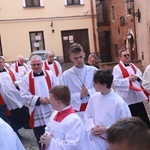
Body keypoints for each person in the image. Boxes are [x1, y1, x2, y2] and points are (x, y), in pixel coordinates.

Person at [84, 69, 131, 150]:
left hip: (113, 143)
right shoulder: (94, 98)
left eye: (96, 82)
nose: (93, 84)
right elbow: (88, 116)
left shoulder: (119, 103)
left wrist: (107, 129)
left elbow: (127, 126)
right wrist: (92, 127)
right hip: (95, 142)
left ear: (104, 85)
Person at [20, 55, 59, 149]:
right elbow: (24, 95)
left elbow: (58, 89)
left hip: (51, 110)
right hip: (37, 111)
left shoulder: (50, 74)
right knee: (40, 138)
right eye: (33, 65)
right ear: (30, 65)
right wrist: (39, 99)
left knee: (55, 136)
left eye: (38, 64)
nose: (36, 66)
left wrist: (51, 98)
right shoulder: (26, 78)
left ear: (42, 64)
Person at [40, 85, 91, 150]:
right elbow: (48, 128)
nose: (49, 101)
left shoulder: (74, 121)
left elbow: (72, 146)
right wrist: (46, 136)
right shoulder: (55, 114)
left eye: (51, 99)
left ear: (59, 102)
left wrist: (51, 141)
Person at [113, 49, 150, 128]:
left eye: (128, 55)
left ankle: (145, 129)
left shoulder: (132, 65)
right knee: (130, 116)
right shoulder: (117, 68)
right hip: (127, 96)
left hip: (136, 96)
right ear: (120, 57)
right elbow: (116, 82)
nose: (127, 57)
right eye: (125, 55)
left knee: (142, 115)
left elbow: (139, 73)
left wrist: (136, 77)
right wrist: (128, 79)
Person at [60, 43, 97, 122]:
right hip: (76, 113)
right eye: (76, 58)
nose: (79, 60)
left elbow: (101, 90)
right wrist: (79, 95)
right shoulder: (66, 75)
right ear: (71, 58)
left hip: (94, 110)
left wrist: (89, 91)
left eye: (80, 57)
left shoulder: (93, 71)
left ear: (84, 55)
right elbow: (64, 97)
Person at [0, 56, 30, 139]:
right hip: (3, 102)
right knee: (9, 118)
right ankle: (14, 134)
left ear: (4, 62)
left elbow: (20, 79)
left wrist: (17, 83)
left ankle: (22, 127)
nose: (0, 64)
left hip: (15, 99)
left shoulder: (10, 71)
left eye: (1, 62)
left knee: (19, 114)